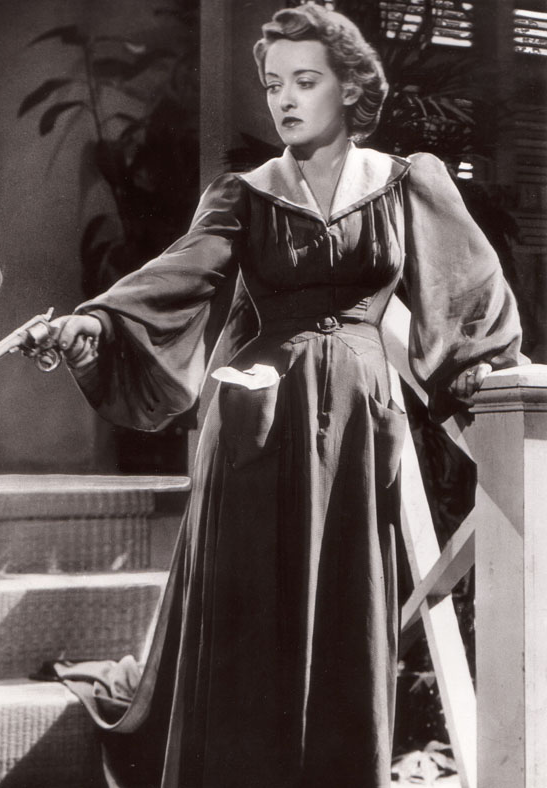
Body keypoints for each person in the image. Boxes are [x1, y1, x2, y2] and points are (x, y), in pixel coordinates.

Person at [50, 6, 523, 787]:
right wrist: (93, 325)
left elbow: (468, 295)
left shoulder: (406, 183)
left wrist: (487, 375)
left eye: (306, 81)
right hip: (256, 421)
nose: (285, 100)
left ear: (351, 88)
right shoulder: (245, 193)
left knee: (346, 606)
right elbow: (174, 279)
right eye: (274, 85)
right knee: (251, 616)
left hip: (359, 425)